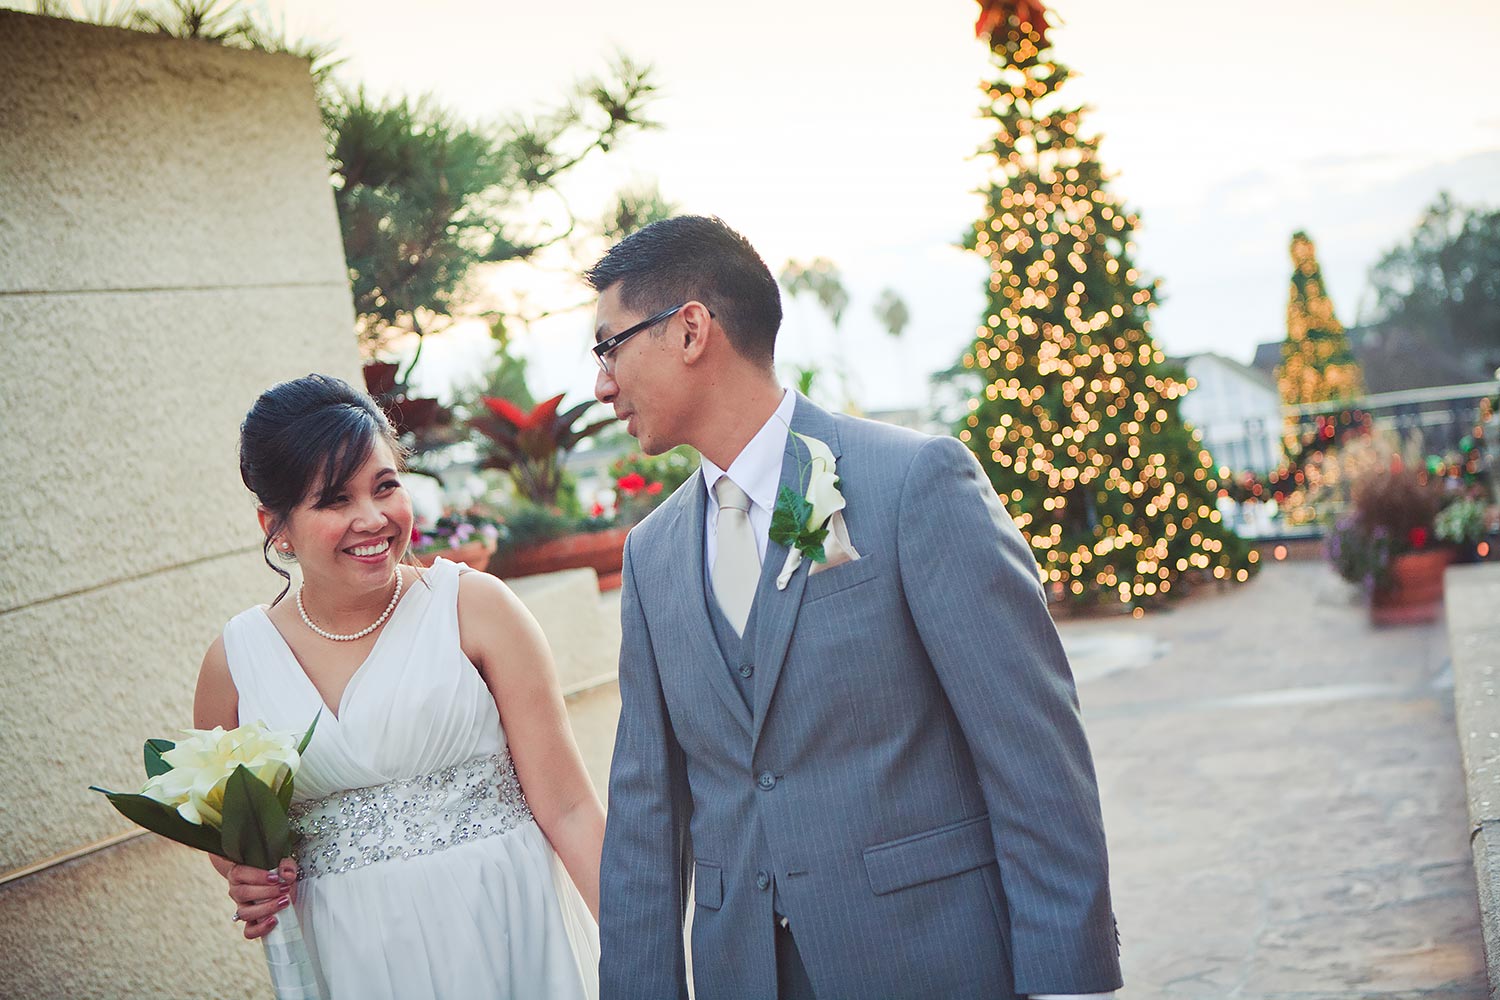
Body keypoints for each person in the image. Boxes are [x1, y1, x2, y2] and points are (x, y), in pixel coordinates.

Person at [589, 216, 1122, 1000]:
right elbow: (644, 814)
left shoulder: (911, 484)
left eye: (609, 346)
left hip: (932, 961)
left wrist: (1067, 981)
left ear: (691, 329)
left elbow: (1032, 753)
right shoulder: (653, 554)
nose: (601, 382)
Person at [193, 373, 603, 1000]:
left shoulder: (475, 608)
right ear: (274, 524)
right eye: (334, 500)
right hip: (352, 953)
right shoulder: (235, 662)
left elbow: (571, 810)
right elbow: (234, 838)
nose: (373, 518)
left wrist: (645, 953)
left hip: (511, 928)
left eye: (385, 487)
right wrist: (243, 872)